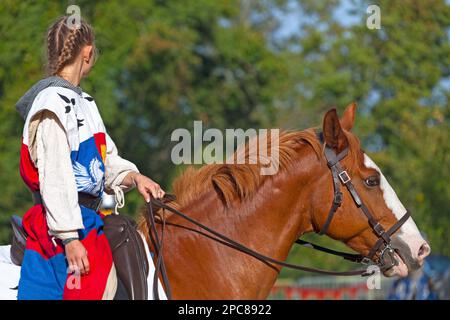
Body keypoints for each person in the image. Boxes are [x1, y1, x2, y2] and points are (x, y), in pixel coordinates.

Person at [15, 15, 165, 300]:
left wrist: (134, 176)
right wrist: (70, 239)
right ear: (88, 52)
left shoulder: (85, 104)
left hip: (90, 221)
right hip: (61, 228)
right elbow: (57, 177)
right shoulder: (51, 106)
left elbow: (104, 160)